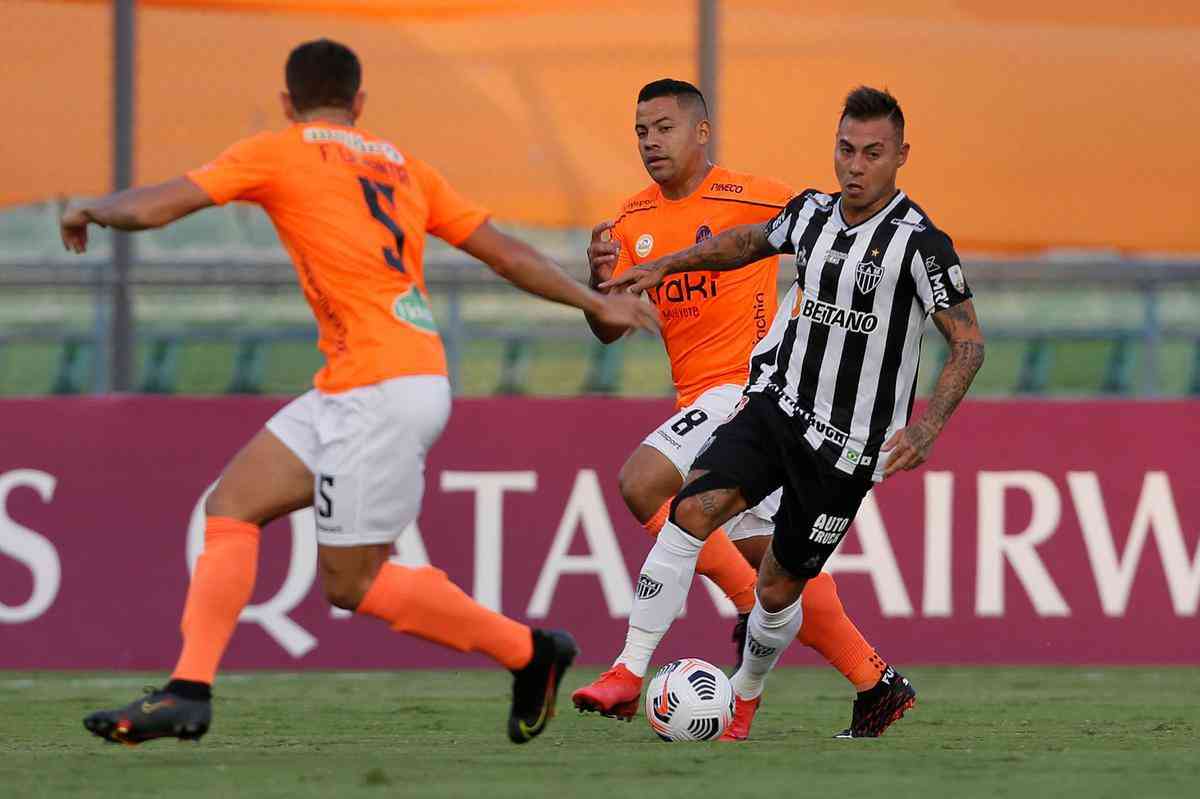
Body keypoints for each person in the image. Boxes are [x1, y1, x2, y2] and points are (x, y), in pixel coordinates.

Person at [60, 38, 656, 747]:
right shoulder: (400, 162)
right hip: (371, 378)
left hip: (379, 386)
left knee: (352, 583)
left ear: (288, 102)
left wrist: (95, 208)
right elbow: (505, 252)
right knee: (232, 504)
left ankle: (530, 652)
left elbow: (160, 208)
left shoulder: (279, 148)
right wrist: (594, 304)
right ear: (359, 102)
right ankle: (188, 690)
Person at [601, 86, 985, 740]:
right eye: (846, 150)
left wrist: (925, 427)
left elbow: (968, 341)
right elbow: (735, 249)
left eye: (872, 153)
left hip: (825, 435)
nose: (855, 166)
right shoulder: (799, 213)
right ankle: (638, 668)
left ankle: (740, 677)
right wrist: (650, 268)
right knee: (724, 533)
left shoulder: (916, 242)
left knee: (754, 569)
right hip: (776, 409)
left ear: (900, 157)